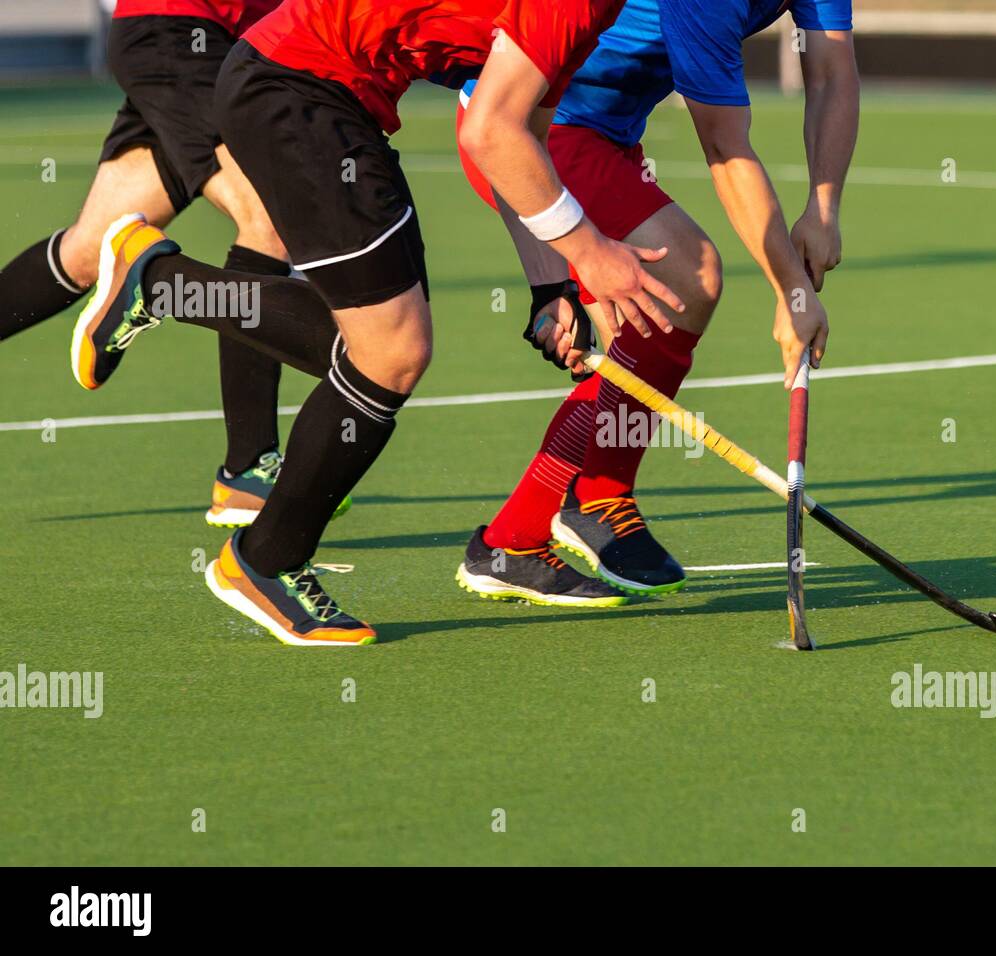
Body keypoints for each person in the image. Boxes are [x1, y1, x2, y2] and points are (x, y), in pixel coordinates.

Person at [71, 0, 686, 645]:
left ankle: (167, 295)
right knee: (391, 349)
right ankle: (260, 553)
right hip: (301, 87)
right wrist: (590, 251)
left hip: (314, 93)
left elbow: (517, 135)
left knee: (379, 347)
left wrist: (551, 284)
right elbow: (490, 134)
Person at [454, 0, 858, 603]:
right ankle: (517, 539)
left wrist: (823, 210)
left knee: (646, 324)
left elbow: (831, 70)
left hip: (607, 135)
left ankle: (592, 498)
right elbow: (724, 147)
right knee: (689, 277)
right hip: (530, 130)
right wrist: (792, 293)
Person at [0, 0, 338, 528]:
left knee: (88, 250)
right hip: (180, 33)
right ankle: (248, 470)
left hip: (200, 42)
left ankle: (247, 473)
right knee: (268, 220)